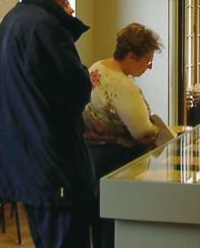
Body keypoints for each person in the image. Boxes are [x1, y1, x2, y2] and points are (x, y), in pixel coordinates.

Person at [0, 0, 95, 248]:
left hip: (23, 156)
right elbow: (76, 90)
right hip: (52, 160)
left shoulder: (13, 19)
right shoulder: (46, 26)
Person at [83, 22, 163, 248]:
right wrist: (162, 133)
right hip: (116, 162)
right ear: (130, 56)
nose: (148, 67)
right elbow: (142, 132)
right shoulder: (123, 86)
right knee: (114, 227)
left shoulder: (97, 67)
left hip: (91, 158)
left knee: (99, 222)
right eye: (147, 61)